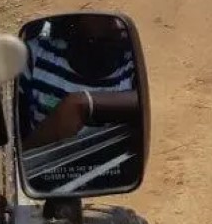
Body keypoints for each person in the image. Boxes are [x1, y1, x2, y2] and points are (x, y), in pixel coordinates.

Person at [17, 16, 143, 193]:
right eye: (104, 19)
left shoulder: (130, 64)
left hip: (106, 182)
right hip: (37, 182)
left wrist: (84, 103)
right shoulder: (35, 56)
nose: (117, 25)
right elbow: (14, 133)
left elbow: (146, 101)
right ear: (75, 22)